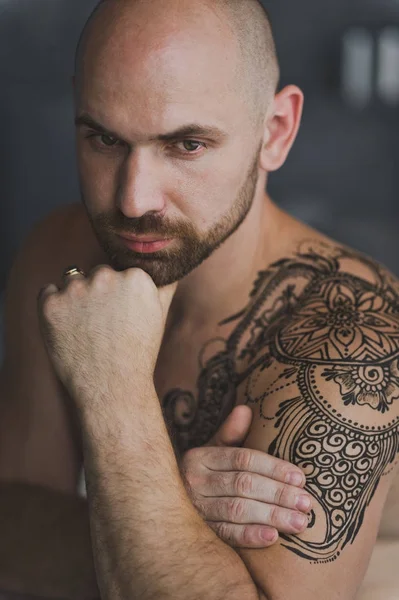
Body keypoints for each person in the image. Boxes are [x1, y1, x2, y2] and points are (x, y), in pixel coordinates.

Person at [0, 0, 398, 597]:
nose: (134, 200)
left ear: (276, 132)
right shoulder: (59, 255)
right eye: (105, 139)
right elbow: (13, 523)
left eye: (186, 145)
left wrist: (115, 400)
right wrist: (163, 510)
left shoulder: (351, 335)